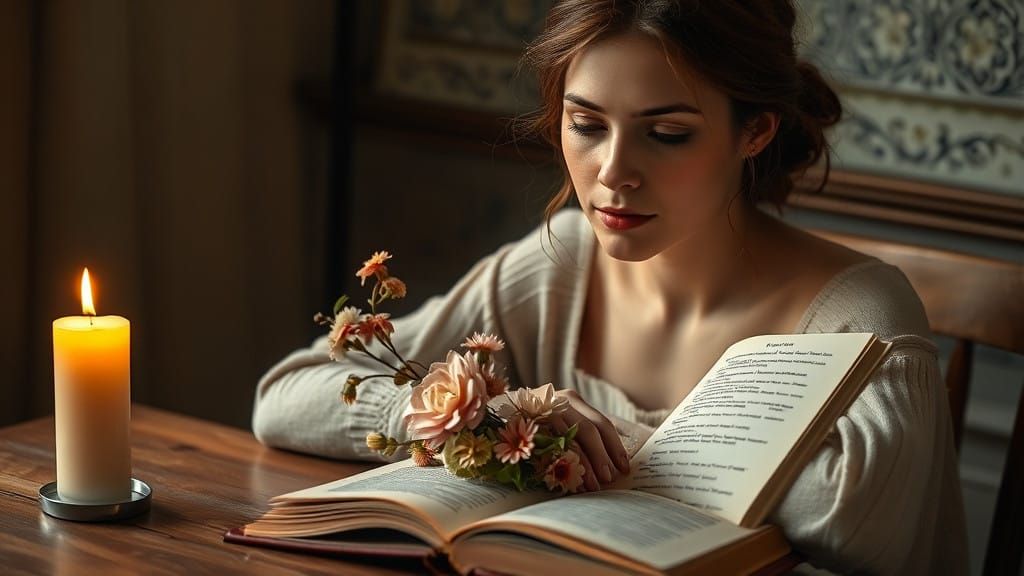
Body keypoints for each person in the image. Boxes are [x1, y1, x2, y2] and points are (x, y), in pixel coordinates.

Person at [252, 1, 968, 574]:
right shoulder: (559, 265)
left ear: (754, 131)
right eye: (587, 125)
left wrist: (592, 439)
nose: (614, 172)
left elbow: (862, 527)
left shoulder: (858, 315)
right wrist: (482, 421)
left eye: (668, 134)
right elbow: (285, 396)